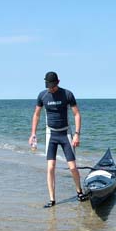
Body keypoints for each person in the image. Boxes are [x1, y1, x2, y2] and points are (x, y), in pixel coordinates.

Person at [29, 71, 87, 208]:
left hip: (65, 133)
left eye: (53, 85)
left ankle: (79, 192)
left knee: (72, 167)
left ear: (58, 82)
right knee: (50, 167)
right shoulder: (42, 95)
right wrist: (33, 133)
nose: (51, 88)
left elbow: (77, 114)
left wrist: (77, 134)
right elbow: (36, 115)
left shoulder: (67, 94)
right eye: (49, 85)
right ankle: (52, 199)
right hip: (51, 134)